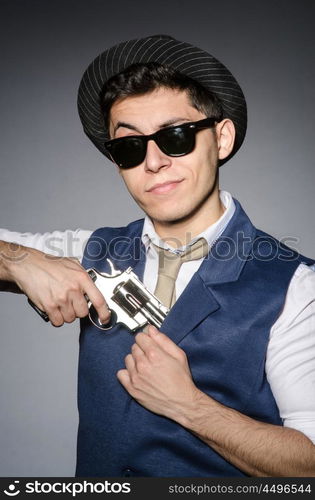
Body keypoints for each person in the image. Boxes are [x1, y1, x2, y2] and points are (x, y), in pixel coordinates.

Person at [0, 34, 315, 477]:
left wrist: (190, 407)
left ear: (221, 139)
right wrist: (19, 259)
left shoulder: (297, 287)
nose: (153, 162)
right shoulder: (87, 250)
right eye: (130, 147)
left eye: (176, 136)